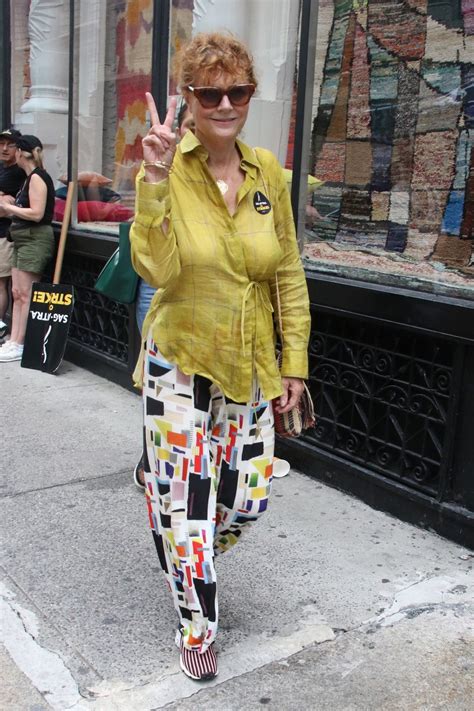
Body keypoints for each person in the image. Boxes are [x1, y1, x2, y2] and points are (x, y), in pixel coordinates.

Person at [130, 32, 310, 681]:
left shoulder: (270, 175)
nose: (225, 102)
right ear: (190, 98)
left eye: (237, 90)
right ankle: (198, 622)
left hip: (250, 361)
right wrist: (151, 181)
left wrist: (296, 364)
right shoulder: (166, 167)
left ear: (250, 96)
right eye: (211, 92)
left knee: (248, 497)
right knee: (192, 501)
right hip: (177, 358)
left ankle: (168, 510)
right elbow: (153, 264)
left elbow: (287, 271)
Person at [133, 101, 194, 489]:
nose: (186, 134)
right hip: (157, 288)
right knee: (159, 380)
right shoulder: (157, 165)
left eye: (192, 126)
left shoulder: (224, 171)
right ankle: (150, 456)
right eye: (185, 125)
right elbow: (145, 237)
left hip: (203, 295)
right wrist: (158, 170)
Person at [0, 135, 55, 362]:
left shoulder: (38, 177)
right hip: (21, 238)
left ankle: (21, 342)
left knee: (26, 294)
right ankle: (13, 339)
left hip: (34, 238)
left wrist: (8, 208)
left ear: (21, 153)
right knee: (17, 293)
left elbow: (37, 213)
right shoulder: (27, 179)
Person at [0, 128, 26, 340]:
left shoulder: (17, 172)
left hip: (5, 233)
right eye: (2, 143)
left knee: (3, 284)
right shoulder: (2, 169)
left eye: (10, 144)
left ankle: (1, 327)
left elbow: (6, 207)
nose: (5, 148)